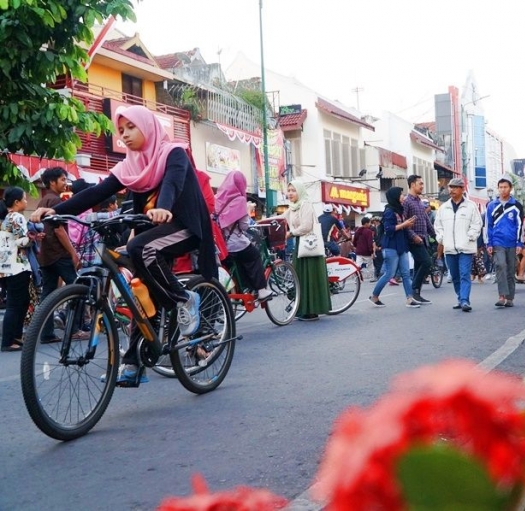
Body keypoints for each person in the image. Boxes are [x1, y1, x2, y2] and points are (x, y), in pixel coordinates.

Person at [32, 105, 214, 385]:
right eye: (121, 130)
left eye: (131, 127)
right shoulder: (131, 165)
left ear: (148, 127)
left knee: (141, 248)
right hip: (151, 232)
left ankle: (184, 298)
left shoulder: (172, 152)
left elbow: (174, 183)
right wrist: (57, 211)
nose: (125, 135)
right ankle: (134, 364)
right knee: (139, 291)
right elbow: (97, 192)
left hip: (183, 226)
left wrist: (163, 207)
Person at [36, 167, 81, 343]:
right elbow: (60, 231)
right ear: (52, 182)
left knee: (47, 295)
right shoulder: (56, 202)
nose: (65, 183)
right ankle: (74, 329)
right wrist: (73, 253)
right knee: (77, 290)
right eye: (62, 179)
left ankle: (46, 333)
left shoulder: (42, 202)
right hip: (59, 254)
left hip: (45, 255)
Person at [215, 171, 274, 302]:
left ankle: (240, 290)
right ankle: (261, 290)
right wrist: (246, 211)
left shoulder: (217, 197)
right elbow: (244, 226)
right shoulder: (240, 200)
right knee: (254, 255)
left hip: (221, 246)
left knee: (239, 264)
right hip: (236, 244)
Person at [282, 180, 331, 321]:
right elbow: (280, 218)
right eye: (289, 190)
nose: (290, 193)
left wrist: (290, 233)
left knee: (310, 277)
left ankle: (312, 310)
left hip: (309, 245)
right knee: (301, 277)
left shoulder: (305, 204)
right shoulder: (292, 207)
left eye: (293, 190)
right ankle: (303, 308)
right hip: (299, 245)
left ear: (300, 191)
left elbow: (306, 226)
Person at [434, 178, 482, 312]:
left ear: (462, 189)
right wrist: (441, 237)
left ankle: (465, 300)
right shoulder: (444, 208)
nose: (452, 190)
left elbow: (477, 224)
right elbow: (438, 226)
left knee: (464, 274)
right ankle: (460, 298)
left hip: (465, 247)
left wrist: (470, 236)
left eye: (455, 187)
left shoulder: (471, 206)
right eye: (450, 187)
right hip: (449, 248)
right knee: (454, 275)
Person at [368, 187, 421, 308]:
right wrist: (405, 224)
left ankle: (409, 298)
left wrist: (407, 223)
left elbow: (400, 226)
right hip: (391, 246)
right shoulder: (389, 211)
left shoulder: (400, 210)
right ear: (395, 197)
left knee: (406, 273)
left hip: (401, 245)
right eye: (401, 195)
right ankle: (374, 296)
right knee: (389, 274)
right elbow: (388, 229)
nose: (403, 197)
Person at [0, 188, 33, 352]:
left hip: (6, 266)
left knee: (21, 301)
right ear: (16, 202)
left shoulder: (6, 218)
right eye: (25, 199)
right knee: (15, 304)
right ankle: (8, 340)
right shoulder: (17, 217)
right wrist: (33, 238)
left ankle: (16, 336)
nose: (26, 202)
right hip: (17, 266)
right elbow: (22, 241)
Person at [486, 177, 525, 308]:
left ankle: (510, 297)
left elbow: (520, 225)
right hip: (497, 241)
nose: (503, 190)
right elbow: (489, 226)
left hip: (512, 242)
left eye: (505, 187)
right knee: (500, 265)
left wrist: (519, 243)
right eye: (501, 187)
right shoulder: (492, 205)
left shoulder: (516, 205)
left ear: (510, 188)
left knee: (510, 268)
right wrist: (489, 243)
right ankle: (502, 296)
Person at [402, 174, 435, 304]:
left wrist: (435, 234)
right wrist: (413, 236)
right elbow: (403, 222)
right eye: (420, 183)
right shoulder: (406, 201)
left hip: (423, 238)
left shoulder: (419, 201)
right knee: (427, 262)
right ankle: (412, 290)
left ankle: (416, 295)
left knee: (419, 265)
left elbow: (425, 220)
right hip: (413, 240)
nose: (422, 186)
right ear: (412, 185)